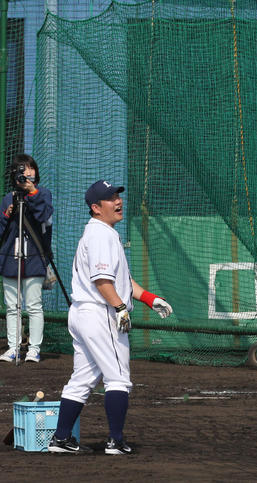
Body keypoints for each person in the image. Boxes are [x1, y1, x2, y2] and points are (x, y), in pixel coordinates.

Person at [48, 180, 173, 455]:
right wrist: (119, 308)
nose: (117, 201)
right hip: (100, 313)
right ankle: (115, 441)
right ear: (95, 208)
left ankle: (61, 439)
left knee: (82, 379)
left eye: (117, 195)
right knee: (118, 379)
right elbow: (103, 281)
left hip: (84, 314)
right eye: (110, 198)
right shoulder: (101, 235)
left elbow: (122, 281)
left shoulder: (101, 233)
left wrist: (150, 299)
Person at [0, 154, 53, 363]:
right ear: (15, 175)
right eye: (22, 170)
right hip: (10, 258)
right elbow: (1, 230)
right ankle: (13, 347)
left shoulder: (43, 194)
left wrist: (32, 193)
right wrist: (7, 214)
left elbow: (44, 218)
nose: (27, 173)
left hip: (34, 256)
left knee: (33, 305)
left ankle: (34, 348)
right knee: (12, 307)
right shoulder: (7, 198)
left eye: (30, 169)